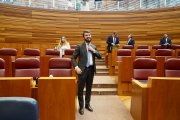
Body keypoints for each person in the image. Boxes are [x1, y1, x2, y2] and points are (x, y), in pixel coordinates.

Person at [72, 30, 102, 115]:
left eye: (89, 35)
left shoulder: (93, 46)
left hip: (91, 70)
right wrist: (76, 67)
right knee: (80, 89)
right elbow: (73, 58)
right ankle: (81, 106)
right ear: (84, 37)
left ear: (91, 36)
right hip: (82, 70)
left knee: (89, 88)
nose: (88, 36)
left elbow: (100, 57)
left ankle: (87, 104)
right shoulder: (79, 47)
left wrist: (93, 50)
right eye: (86, 35)